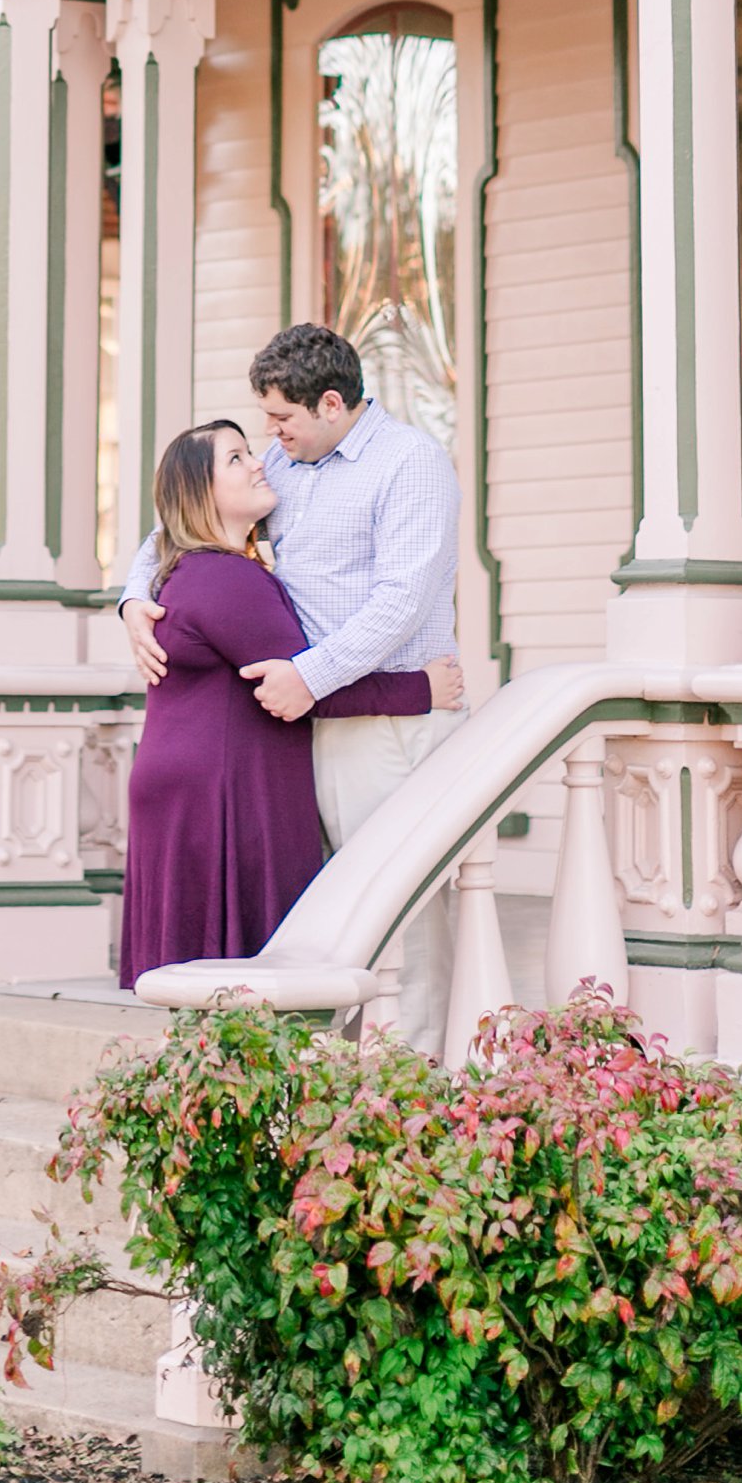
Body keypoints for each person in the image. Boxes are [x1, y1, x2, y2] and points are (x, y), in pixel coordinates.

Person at [119, 324, 466, 1046]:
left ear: (332, 404)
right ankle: (341, 1070)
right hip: (303, 717)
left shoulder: (410, 463)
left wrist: (309, 676)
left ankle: (417, 1065)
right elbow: (175, 528)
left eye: (280, 417)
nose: (268, 435)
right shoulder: (287, 459)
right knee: (329, 915)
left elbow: (401, 602)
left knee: (402, 907)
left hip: (381, 722)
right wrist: (131, 600)